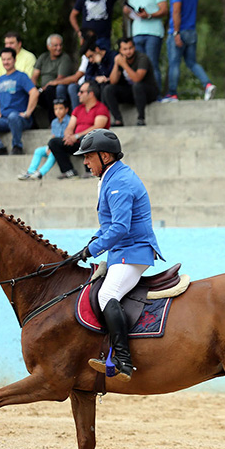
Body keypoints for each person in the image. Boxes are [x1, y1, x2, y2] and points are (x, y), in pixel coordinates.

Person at [75, 129, 163, 383]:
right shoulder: (110, 177)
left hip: (133, 252)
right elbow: (107, 225)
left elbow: (120, 227)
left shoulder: (119, 182)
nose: (85, 162)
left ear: (104, 156)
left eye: (89, 157)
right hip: (122, 251)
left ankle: (124, 359)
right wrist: (91, 242)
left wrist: (92, 249)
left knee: (107, 294)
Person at [49, 80, 111, 180]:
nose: (78, 94)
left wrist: (76, 136)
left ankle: (90, 171)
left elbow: (97, 127)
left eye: (81, 92)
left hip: (96, 144)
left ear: (91, 94)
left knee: (86, 138)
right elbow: (70, 127)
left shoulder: (101, 108)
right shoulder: (78, 109)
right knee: (54, 142)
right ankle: (68, 171)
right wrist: (69, 136)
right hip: (79, 143)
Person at [161, 0, 216, 103]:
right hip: (191, 31)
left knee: (174, 64)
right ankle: (208, 84)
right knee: (192, 63)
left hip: (179, 31)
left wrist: (176, 33)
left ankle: (172, 94)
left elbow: (176, 10)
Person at [102, 37, 158, 126]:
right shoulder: (120, 59)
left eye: (130, 48)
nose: (128, 51)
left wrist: (124, 65)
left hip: (147, 92)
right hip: (131, 92)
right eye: (125, 49)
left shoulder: (142, 58)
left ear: (134, 48)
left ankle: (141, 119)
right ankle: (118, 120)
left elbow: (137, 79)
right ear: (120, 50)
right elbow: (113, 81)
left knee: (137, 86)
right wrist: (116, 64)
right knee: (108, 89)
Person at [124, 0, 168, 95]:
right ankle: (141, 94)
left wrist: (149, 15)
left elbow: (164, 10)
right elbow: (131, 14)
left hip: (153, 32)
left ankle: (156, 95)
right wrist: (128, 12)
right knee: (139, 65)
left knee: (152, 64)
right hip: (137, 32)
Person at [18, 99, 71, 180]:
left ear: (66, 109)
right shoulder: (54, 122)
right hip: (54, 145)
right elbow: (54, 136)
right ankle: (30, 172)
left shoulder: (70, 120)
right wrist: (49, 147)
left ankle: (40, 173)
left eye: (60, 108)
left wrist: (53, 148)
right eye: (56, 109)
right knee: (38, 151)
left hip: (64, 146)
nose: (58, 111)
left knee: (53, 154)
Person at [32, 34, 74, 122]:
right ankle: (32, 122)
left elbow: (60, 79)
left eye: (60, 45)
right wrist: (32, 88)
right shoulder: (43, 57)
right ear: (48, 47)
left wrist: (44, 88)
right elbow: (35, 75)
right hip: (43, 90)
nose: (58, 48)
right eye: (55, 45)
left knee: (50, 89)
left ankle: (53, 120)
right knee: (30, 91)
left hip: (55, 89)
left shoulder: (65, 58)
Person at [65, 37, 116, 110]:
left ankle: (101, 114)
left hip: (108, 87)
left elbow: (110, 76)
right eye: (88, 58)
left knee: (103, 86)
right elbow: (87, 76)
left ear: (97, 50)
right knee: (73, 87)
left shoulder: (112, 56)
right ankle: (77, 115)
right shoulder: (92, 61)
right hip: (94, 86)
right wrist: (96, 78)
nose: (90, 60)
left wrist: (100, 64)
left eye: (91, 56)